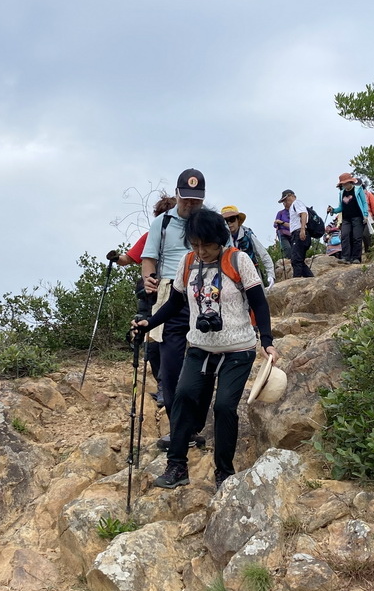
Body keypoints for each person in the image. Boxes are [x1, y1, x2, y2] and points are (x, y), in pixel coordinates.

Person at [132, 208, 278, 490]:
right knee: (183, 397)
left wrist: (267, 340)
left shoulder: (238, 260)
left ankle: (224, 472)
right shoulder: (187, 263)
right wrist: (149, 323)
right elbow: (174, 303)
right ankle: (176, 465)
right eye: (195, 244)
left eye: (207, 245)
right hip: (200, 346)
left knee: (224, 407)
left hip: (238, 350)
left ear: (219, 240)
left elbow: (259, 302)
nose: (201, 251)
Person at [141, 168, 206, 450]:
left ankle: (193, 427)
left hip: (203, 292)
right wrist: (148, 279)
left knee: (203, 362)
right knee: (169, 366)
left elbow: (229, 255)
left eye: (196, 200)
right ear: (177, 195)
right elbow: (148, 258)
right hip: (169, 292)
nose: (190, 205)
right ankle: (179, 429)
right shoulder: (162, 223)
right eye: (186, 199)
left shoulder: (208, 221)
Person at [107, 193, 176, 407]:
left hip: (172, 292)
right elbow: (128, 258)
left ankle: (170, 387)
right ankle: (163, 386)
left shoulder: (185, 237)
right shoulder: (150, 236)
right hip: (150, 294)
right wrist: (116, 257)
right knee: (151, 343)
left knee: (168, 340)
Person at [220, 205, 275, 290]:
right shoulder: (221, 239)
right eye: (226, 221)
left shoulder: (248, 235)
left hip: (252, 275)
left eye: (232, 219)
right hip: (232, 278)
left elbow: (264, 255)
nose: (229, 223)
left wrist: (271, 275)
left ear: (238, 220)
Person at [327, 173, 368, 264]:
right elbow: (341, 207)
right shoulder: (342, 193)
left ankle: (356, 258)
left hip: (357, 217)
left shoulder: (358, 189)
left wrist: (365, 214)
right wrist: (333, 210)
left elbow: (364, 203)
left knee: (357, 237)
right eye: (343, 184)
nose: (345, 185)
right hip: (346, 219)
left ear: (350, 182)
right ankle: (346, 257)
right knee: (345, 236)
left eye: (346, 183)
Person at [278, 189, 314, 278]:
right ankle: (310, 278)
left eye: (285, 200)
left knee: (296, 260)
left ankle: (296, 280)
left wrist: (302, 230)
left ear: (291, 196)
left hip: (299, 233)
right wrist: (282, 223)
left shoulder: (296, 203)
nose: (285, 203)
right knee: (298, 260)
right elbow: (294, 224)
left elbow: (304, 214)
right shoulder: (293, 208)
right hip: (296, 233)